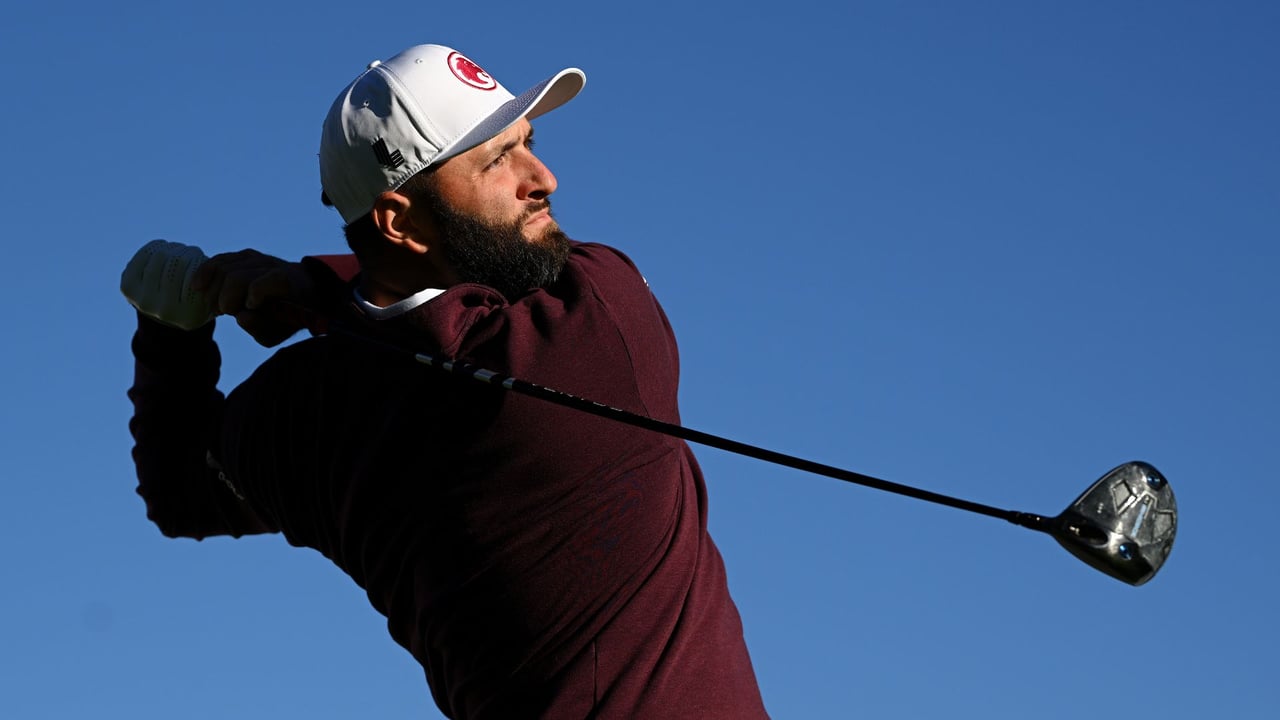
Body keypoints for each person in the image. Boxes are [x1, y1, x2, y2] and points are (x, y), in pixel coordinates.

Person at [123, 44, 768, 719]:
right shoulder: (596, 330)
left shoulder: (297, 410)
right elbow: (470, 317)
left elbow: (182, 495)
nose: (543, 177)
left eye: (528, 143)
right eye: (497, 160)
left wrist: (172, 333)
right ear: (398, 220)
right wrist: (312, 283)